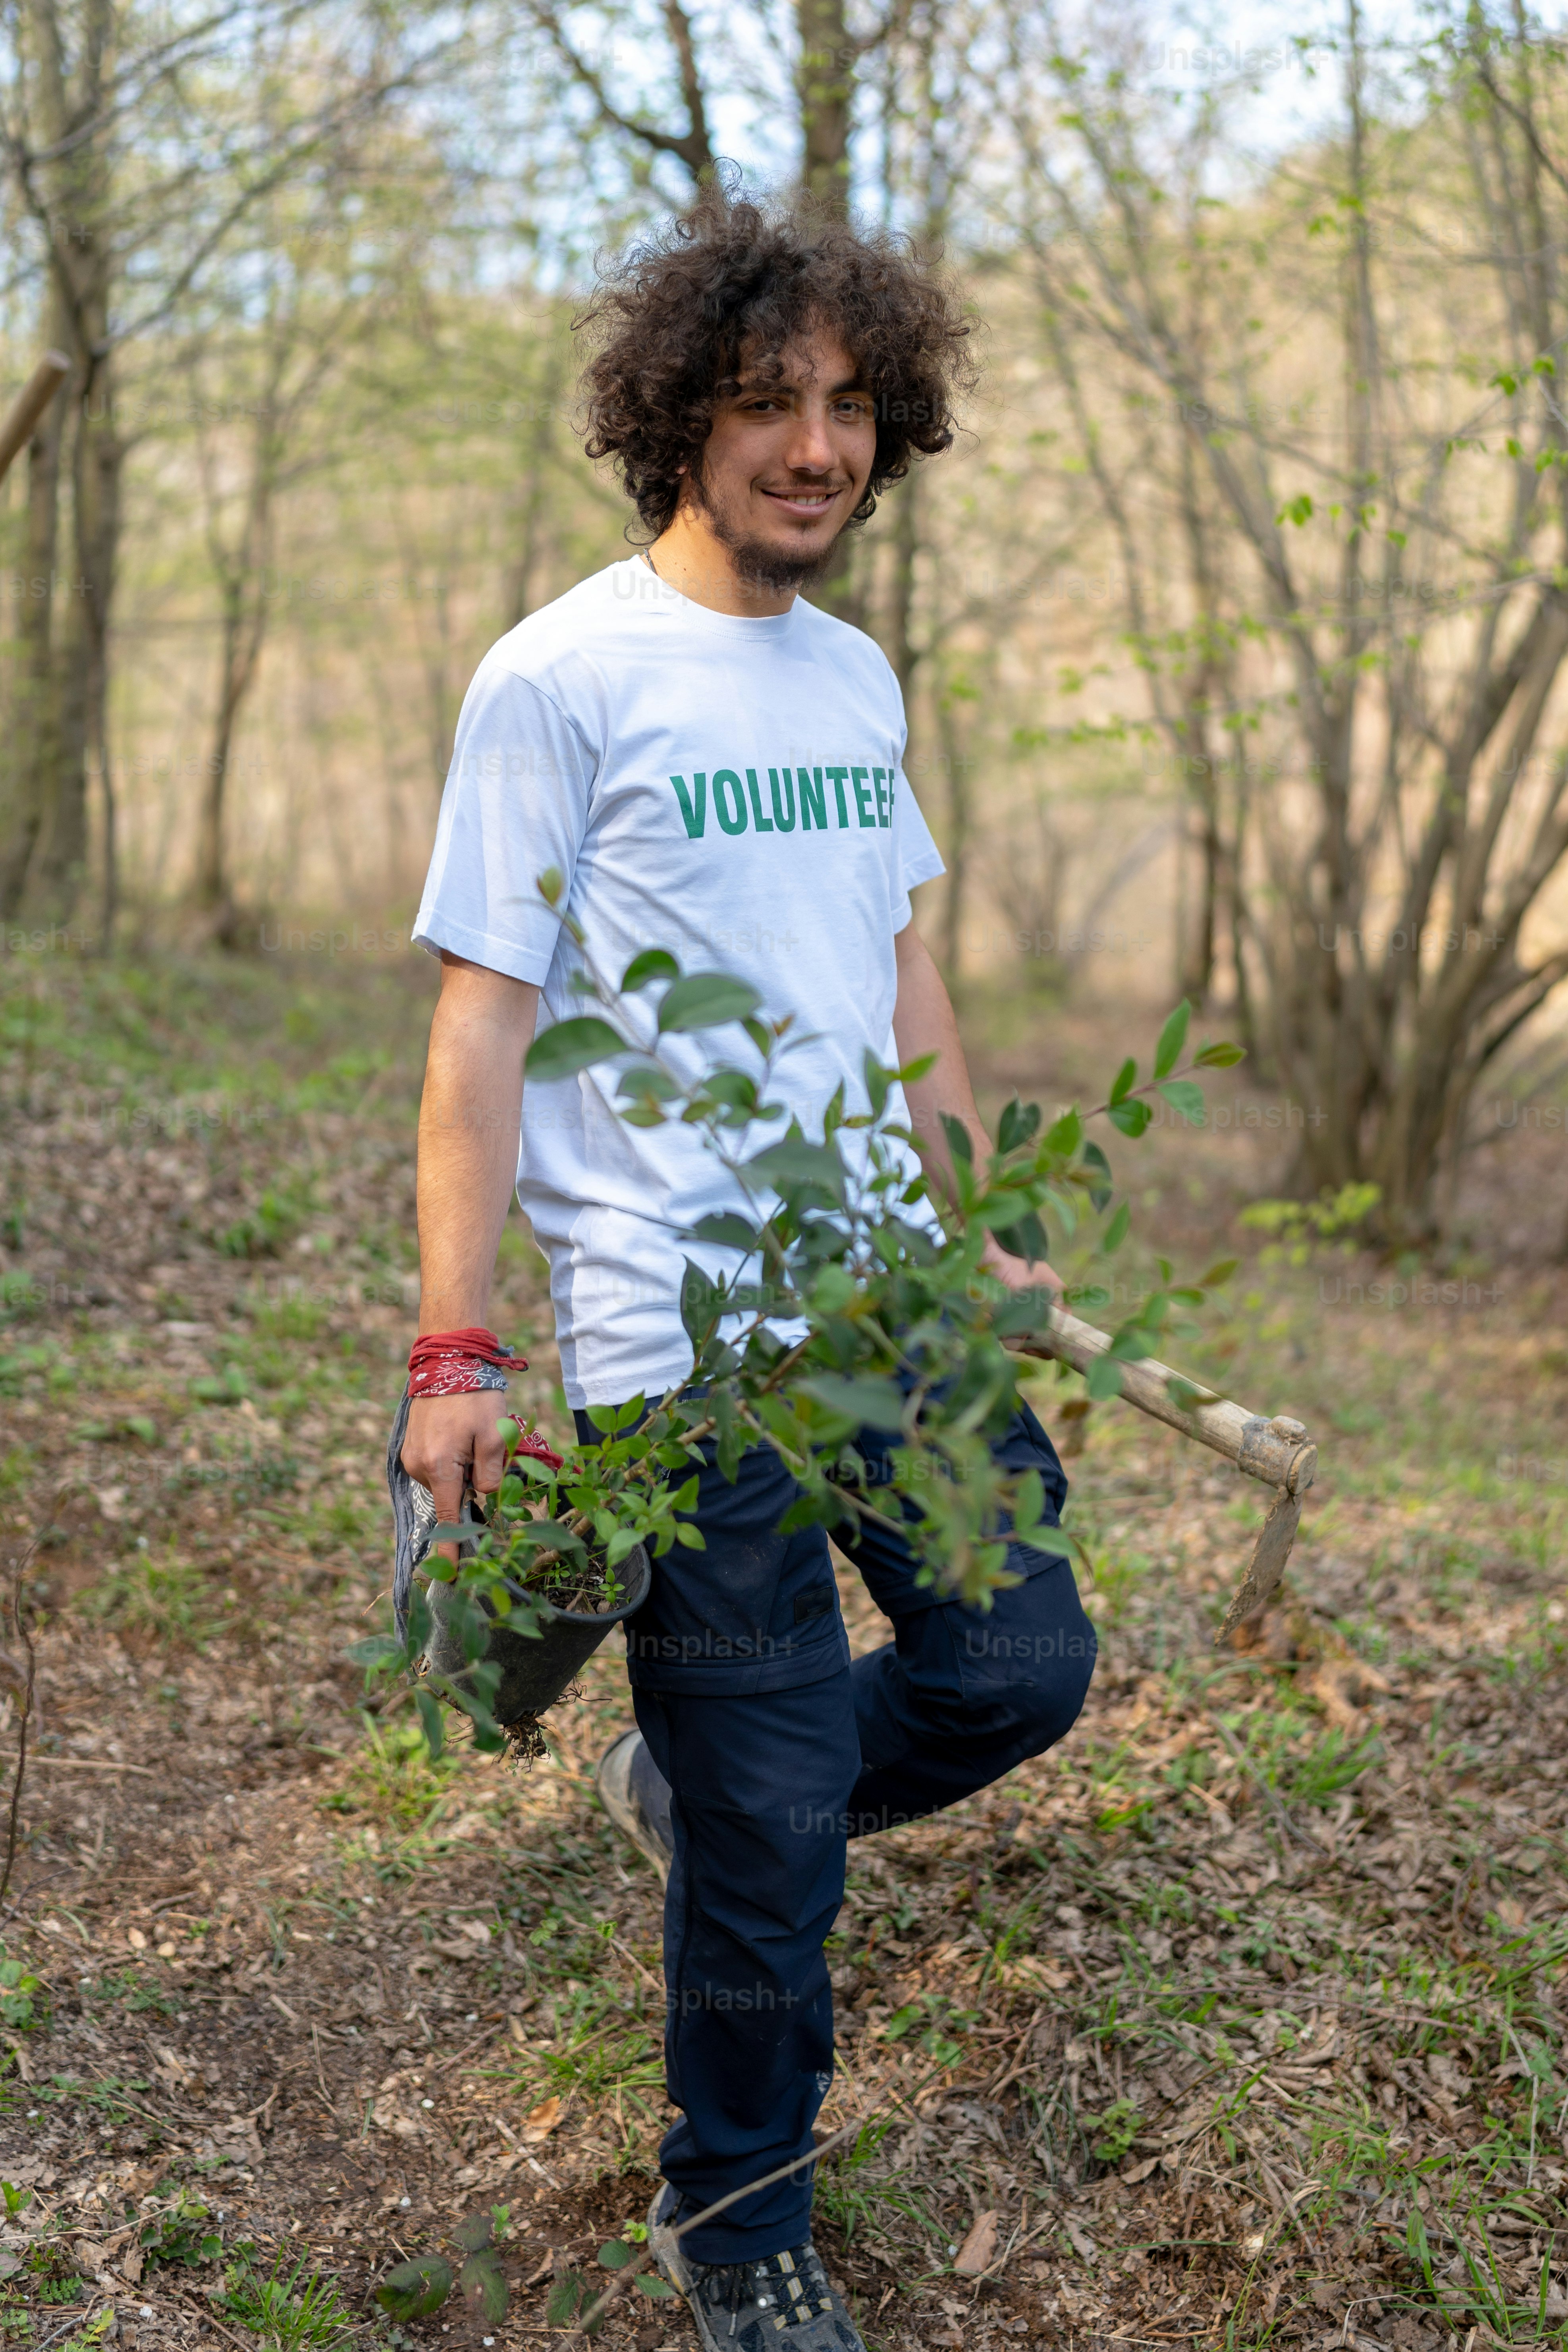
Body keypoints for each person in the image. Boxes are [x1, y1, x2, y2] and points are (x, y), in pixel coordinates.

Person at [399, 190, 1097, 2352]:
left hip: (885, 1311)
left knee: (1020, 1665)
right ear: (673, 413)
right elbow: (476, 1041)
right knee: (781, 1829)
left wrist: (970, 1218)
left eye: (852, 406)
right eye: (769, 402)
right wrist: (456, 1343)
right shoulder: (560, 678)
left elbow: (906, 983)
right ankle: (742, 2210)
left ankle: (698, 1785)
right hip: (680, 1346)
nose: (817, 446)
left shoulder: (861, 673)